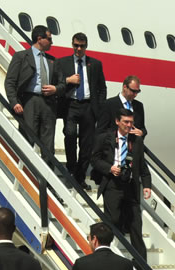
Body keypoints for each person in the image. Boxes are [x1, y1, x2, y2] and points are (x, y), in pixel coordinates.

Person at [91, 108, 152, 264]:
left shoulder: (136, 141)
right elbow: (95, 160)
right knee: (113, 220)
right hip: (112, 184)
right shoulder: (105, 138)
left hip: (130, 186)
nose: (129, 125)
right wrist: (109, 168)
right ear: (117, 121)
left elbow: (142, 166)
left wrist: (146, 185)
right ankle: (107, 256)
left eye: (131, 122)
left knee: (136, 224)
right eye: (126, 122)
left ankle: (141, 262)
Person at [55, 32, 107, 190]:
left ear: (86, 46)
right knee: (70, 135)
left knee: (87, 144)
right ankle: (71, 169)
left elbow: (101, 88)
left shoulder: (95, 64)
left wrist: (99, 107)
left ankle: (80, 176)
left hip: (88, 106)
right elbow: (56, 82)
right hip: (70, 105)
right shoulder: (63, 63)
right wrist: (68, 80)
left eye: (82, 46)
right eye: (76, 45)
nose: (79, 48)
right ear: (72, 45)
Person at [4, 25, 65, 156]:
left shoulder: (53, 61)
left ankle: (47, 173)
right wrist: (14, 102)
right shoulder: (21, 56)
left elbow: (62, 84)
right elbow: (10, 81)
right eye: (49, 39)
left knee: (48, 143)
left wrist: (55, 89)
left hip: (48, 104)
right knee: (28, 139)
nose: (51, 42)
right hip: (29, 101)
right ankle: (26, 172)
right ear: (39, 39)